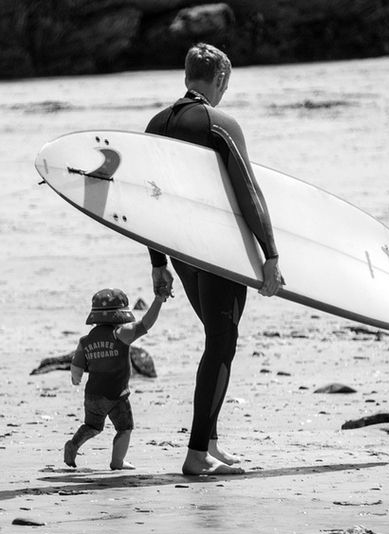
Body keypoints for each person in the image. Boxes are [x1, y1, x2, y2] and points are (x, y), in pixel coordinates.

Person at [145, 43, 284, 475]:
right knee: (221, 344)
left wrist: (158, 263)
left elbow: (147, 199)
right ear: (220, 78)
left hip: (182, 252)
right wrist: (271, 254)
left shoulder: (156, 124)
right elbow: (248, 191)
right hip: (218, 250)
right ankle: (196, 453)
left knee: (216, 339)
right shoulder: (219, 123)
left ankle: (212, 441)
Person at [64, 288, 164, 470]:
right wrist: (158, 300)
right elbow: (146, 324)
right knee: (124, 428)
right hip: (117, 396)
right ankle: (117, 462)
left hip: (93, 395)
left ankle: (73, 444)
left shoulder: (85, 340)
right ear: (120, 314)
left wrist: (75, 378)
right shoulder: (121, 335)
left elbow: (76, 367)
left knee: (92, 426)